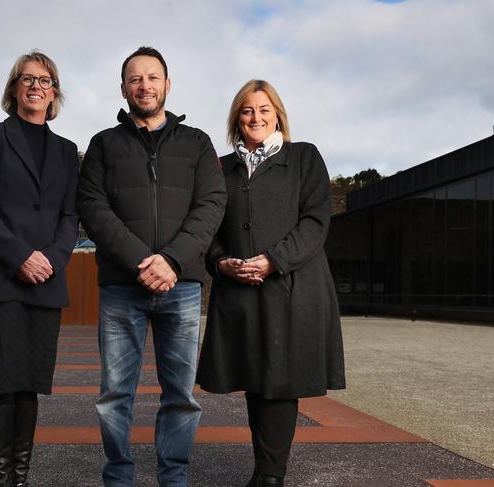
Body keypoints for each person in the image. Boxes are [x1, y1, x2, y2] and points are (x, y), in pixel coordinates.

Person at [77, 46, 226, 487]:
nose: (145, 85)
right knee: (114, 396)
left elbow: (212, 205)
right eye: (135, 78)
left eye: (153, 77)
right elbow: (92, 206)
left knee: (180, 395)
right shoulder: (104, 144)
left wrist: (173, 260)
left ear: (167, 83)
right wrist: (143, 260)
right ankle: (118, 477)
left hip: (181, 286)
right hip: (123, 286)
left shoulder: (197, 143)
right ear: (123, 87)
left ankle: (173, 478)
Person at [196, 79, 346, 487]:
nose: (256, 117)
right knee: (255, 382)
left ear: (277, 114)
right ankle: (264, 469)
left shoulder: (304, 158)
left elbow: (316, 222)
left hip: (291, 288)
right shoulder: (221, 167)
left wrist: (274, 260)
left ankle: (270, 476)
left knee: (280, 383)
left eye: (264, 109)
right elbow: (209, 227)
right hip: (240, 290)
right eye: (247, 110)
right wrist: (220, 262)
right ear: (236, 119)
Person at [0, 50, 79, 487]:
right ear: (13, 89)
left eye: (45, 81)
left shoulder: (67, 151)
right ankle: (1, 480)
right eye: (26, 79)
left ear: (54, 92)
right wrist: (20, 255)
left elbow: (70, 217)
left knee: (28, 386)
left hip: (45, 280)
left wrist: (53, 259)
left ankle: (21, 479)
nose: (35, 87)